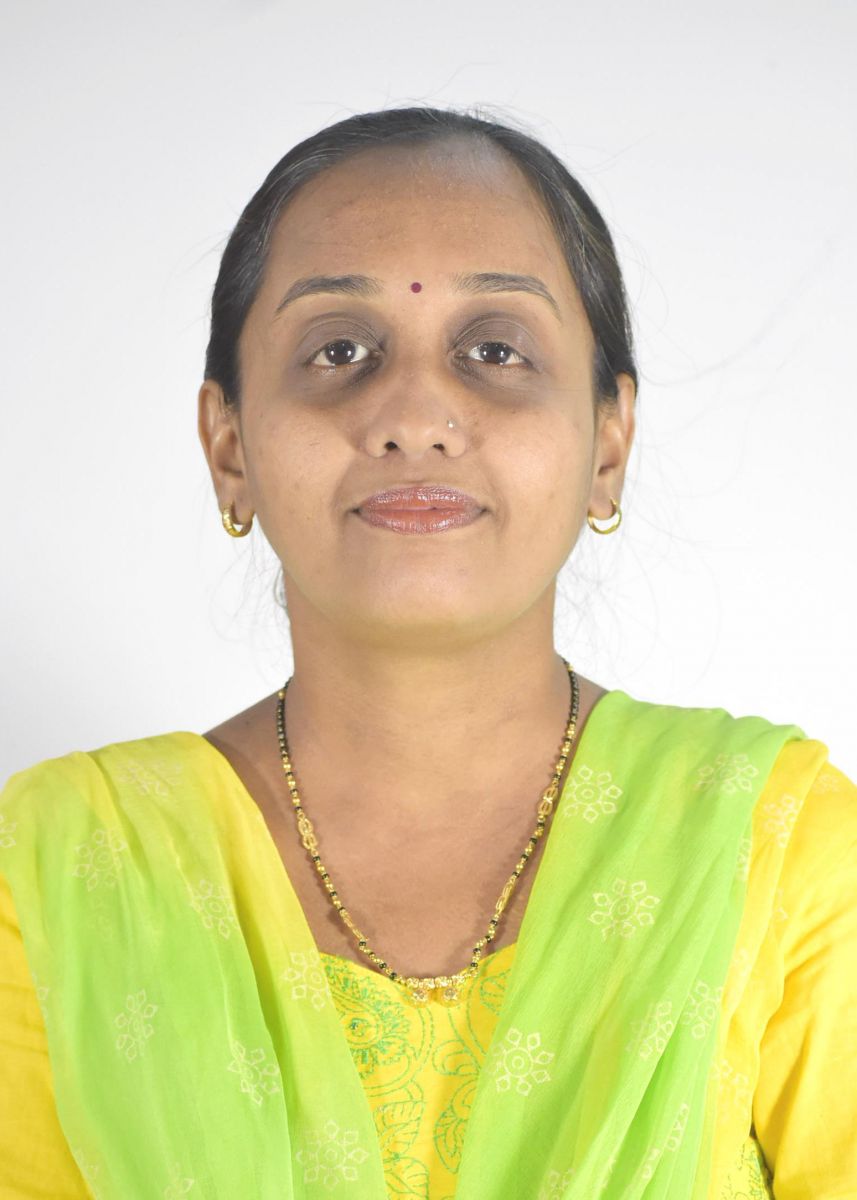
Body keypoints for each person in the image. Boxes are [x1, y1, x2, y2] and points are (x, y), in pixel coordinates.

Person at [1, 105, 854, 1200]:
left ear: (608, 442)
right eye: (338, 351)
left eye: (493, 350)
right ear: (228, 445)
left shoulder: (774, 848)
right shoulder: (64, 873)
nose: (414, 413)